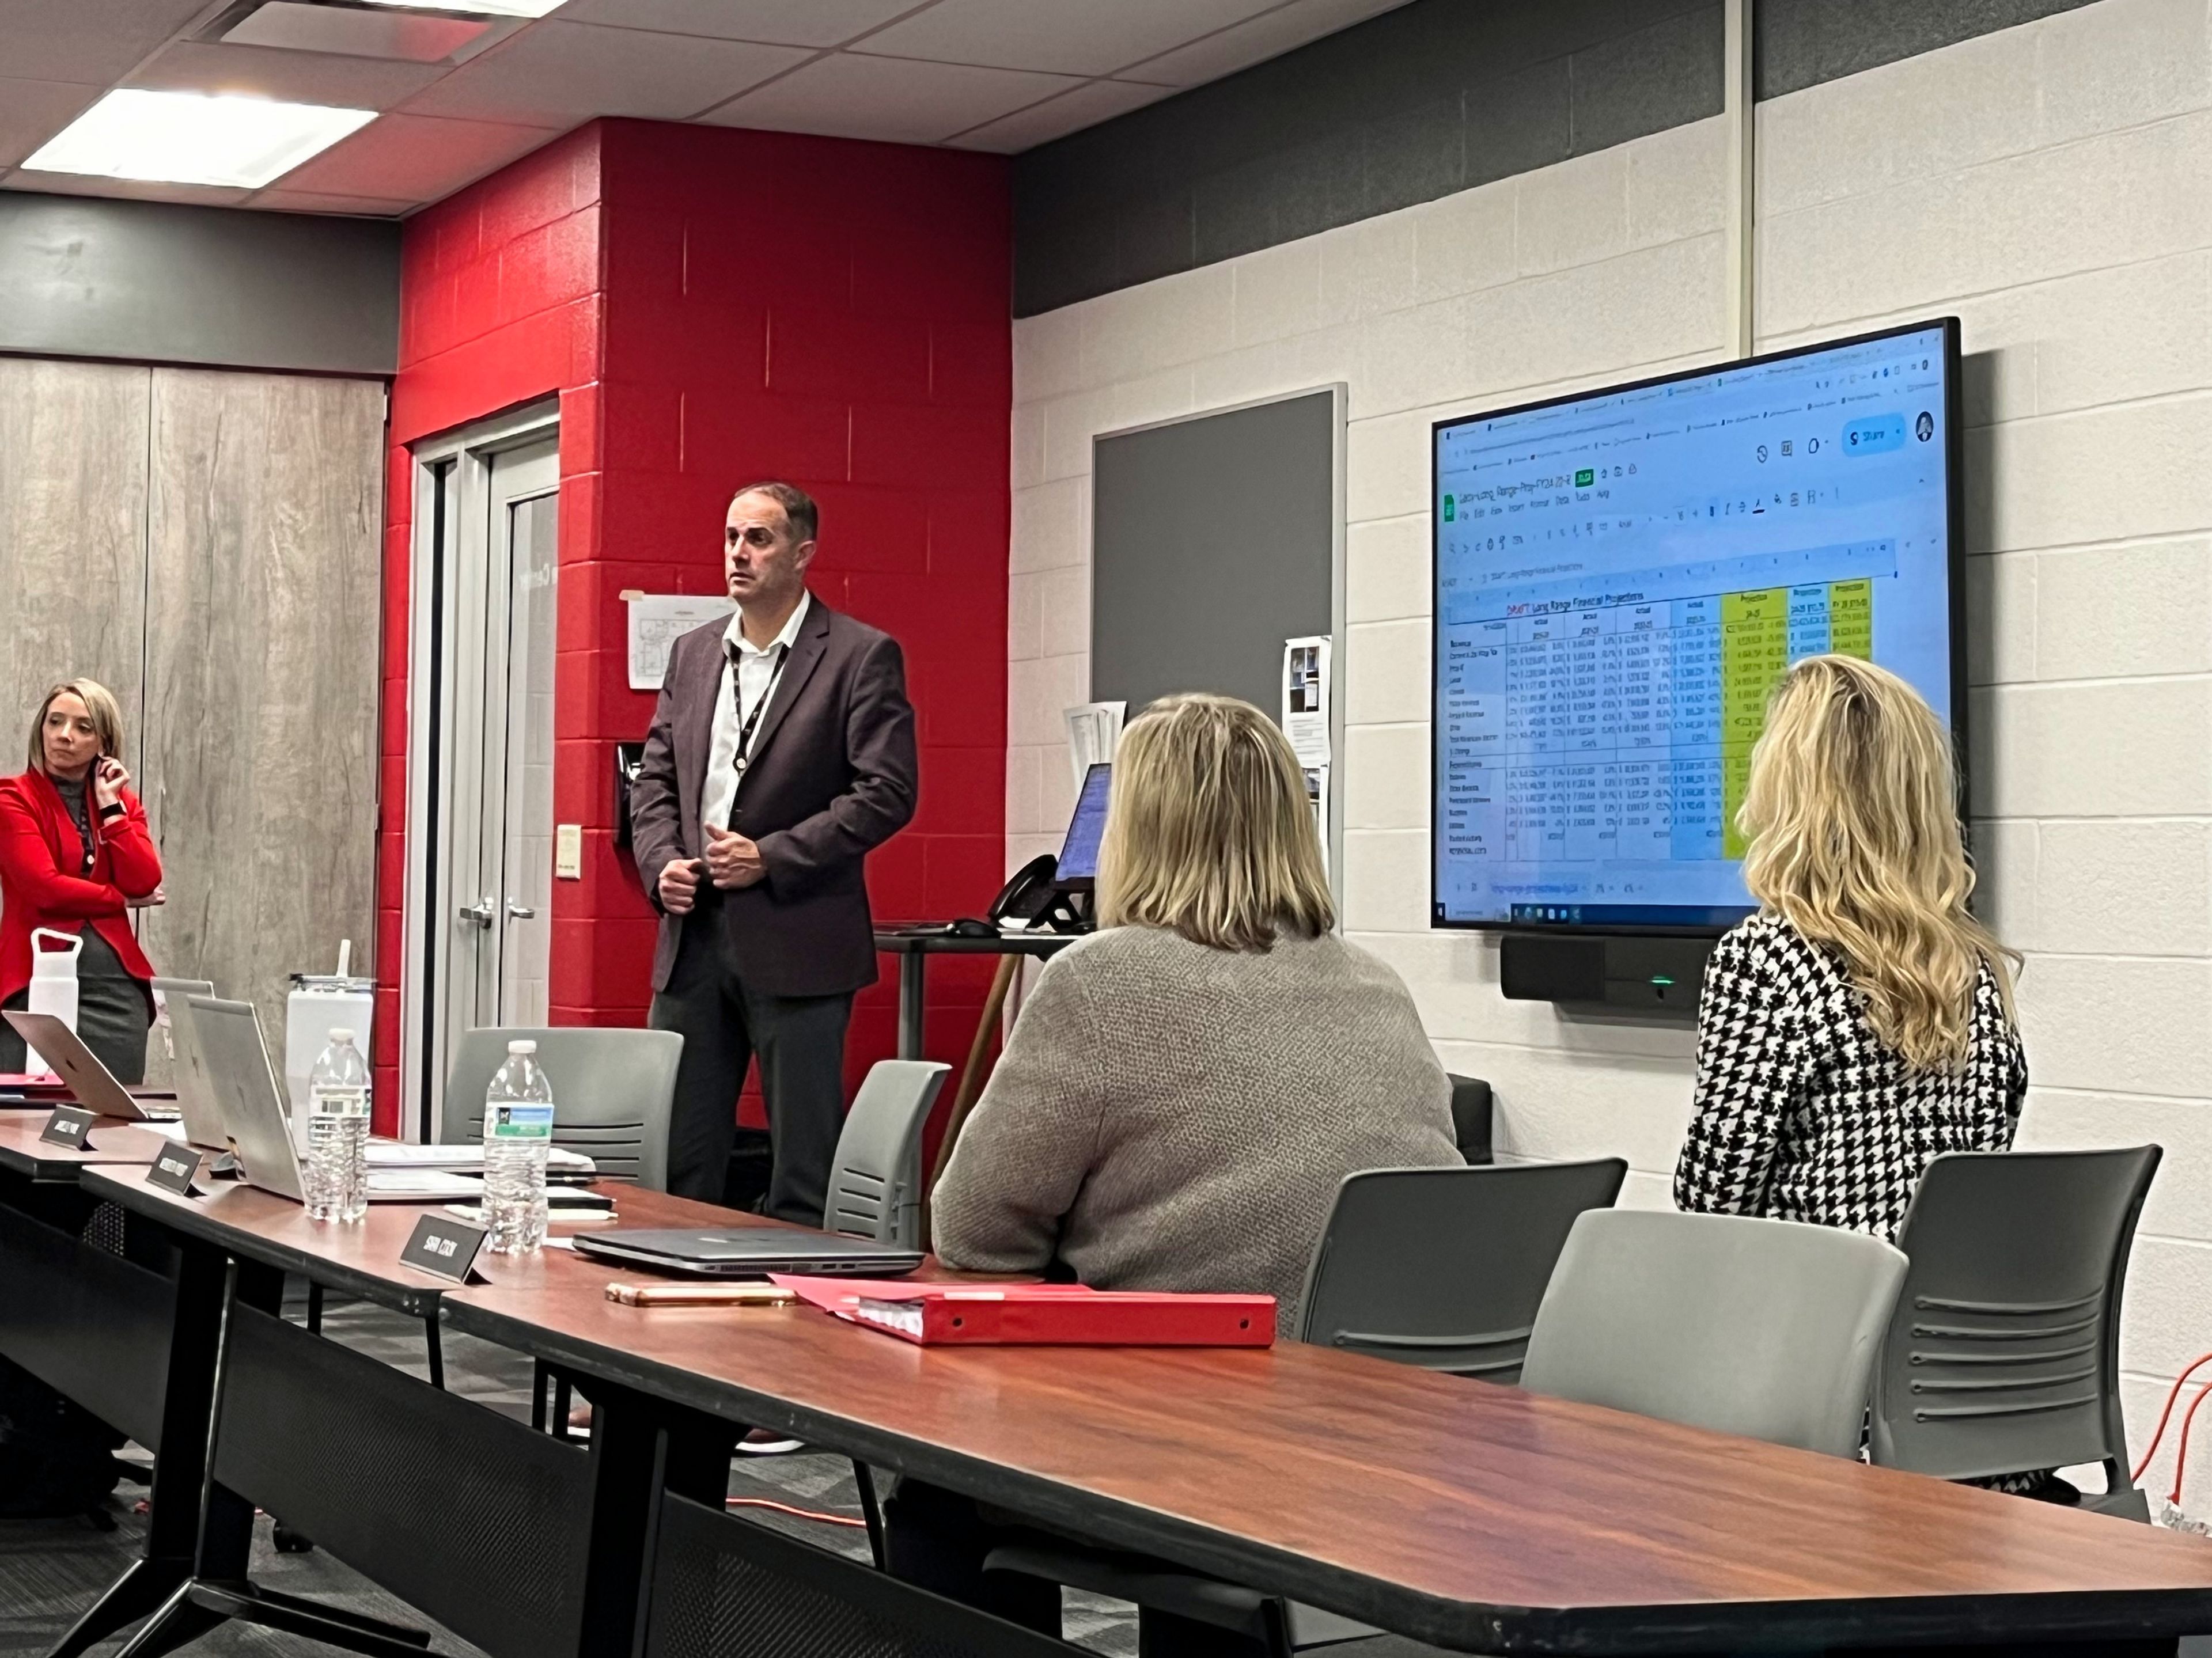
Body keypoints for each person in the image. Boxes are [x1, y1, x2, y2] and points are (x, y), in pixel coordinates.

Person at [899, 693, 1459, 1628]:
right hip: (1386, 1443)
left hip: (1198, 1455)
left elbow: (972, 1230)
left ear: (1139, 830)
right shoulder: (1374, 980)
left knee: (937, 1482)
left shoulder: (1098, 978)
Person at [629, 482, 917, 1219]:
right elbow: (655, 777)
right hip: (693, 935)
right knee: (679, 1156)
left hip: (799, 933)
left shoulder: (859, 654)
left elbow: (885, 791)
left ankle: (799, 1320)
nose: (738, 554)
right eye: (731, 537)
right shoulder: (695, 655)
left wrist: (773, 855)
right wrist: (662, 860)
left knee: (801, 1163)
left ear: (803, 553)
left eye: (758, 539)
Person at [1673, 654, 2025, 1239]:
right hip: (1942, 1316)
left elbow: (1714, 1195)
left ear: (1787, 790)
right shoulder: (1975, 966)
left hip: (1811, 1315)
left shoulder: (1765, 959)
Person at [0, 680, 164, 1083]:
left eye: (83, 727)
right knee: (25, 1130)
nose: (64, 735)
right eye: (55, 722)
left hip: (115, 999)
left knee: (115, 1132)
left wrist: (111, 807)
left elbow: (145, 878)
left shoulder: (124, 804)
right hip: (33, 989)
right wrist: (118, 899)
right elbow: (46, 889)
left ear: (104, 741)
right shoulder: (12, 797)